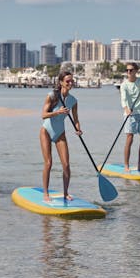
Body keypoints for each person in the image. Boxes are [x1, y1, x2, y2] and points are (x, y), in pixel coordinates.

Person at [40, 70, 81, 202]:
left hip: (60, 132)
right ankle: (46, 193)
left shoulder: (73, 101)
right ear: (61, 82)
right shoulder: (52, 96)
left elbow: (76, 119)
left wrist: (78, 129)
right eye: (67, 81)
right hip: (46, 130)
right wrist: (57, 112)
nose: (70, 83)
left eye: (71, 81)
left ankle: (65, 193)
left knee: (66, 165)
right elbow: (43, 115)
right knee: (48, 163)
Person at [120, 62, 140, 171]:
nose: (128, 72)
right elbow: (123, 99)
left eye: (131, 70)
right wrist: (126, 109)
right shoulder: (124, 85)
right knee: (130, 138)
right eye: (127, 70)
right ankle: (126, 165)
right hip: (130, 114)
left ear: (136, 71)